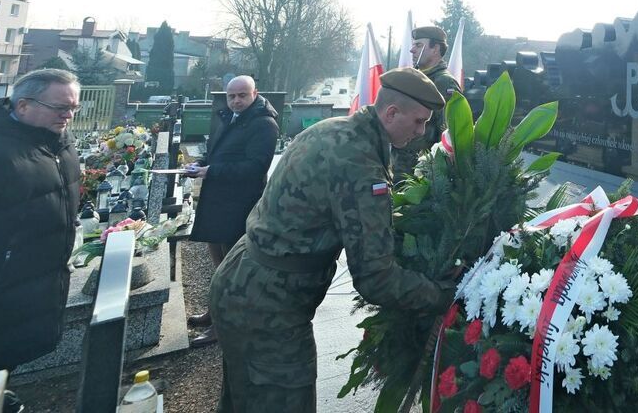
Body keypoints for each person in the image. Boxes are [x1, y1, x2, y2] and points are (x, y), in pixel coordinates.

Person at [209, 68, 456, 412]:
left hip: (243, 281)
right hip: (269, 308)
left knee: (242, 400)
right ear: (391, 113)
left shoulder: (336, 129)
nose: (422, 132)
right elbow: (376, 278)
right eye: (418, 122)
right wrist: (445, 295)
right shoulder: (360, 165)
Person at [0, 69, 82, 410]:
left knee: (1, 364)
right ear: (22, 105)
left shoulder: (58, 143)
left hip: (33, 287)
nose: (68, 115)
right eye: (60, 107)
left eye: (74, 108)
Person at [184, 75, 278, 348]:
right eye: (231, 96)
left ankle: (225, 325)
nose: (236, 101)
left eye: (242, 95)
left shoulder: (263, 124)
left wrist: (211, 171)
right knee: (219, 265)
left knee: (233, 269)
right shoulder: (227, 117)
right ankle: (215, 312)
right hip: (218, 200)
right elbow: (217, 154)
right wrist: (199, 165)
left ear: (254, 94)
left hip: (238, 205)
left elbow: (255, 168)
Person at [391, 25, 462, 180]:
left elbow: (448, 137)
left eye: (419, 45)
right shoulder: (418, 79)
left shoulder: (443, 82)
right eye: (413, 45)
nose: (412, 50)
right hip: (402, 170)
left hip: (420, 177)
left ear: (435, 49)